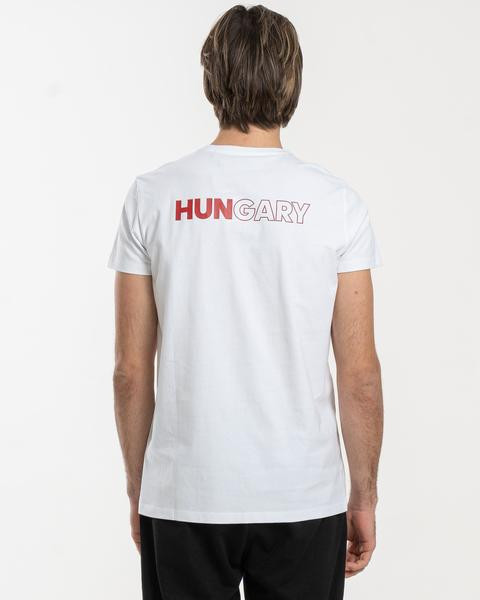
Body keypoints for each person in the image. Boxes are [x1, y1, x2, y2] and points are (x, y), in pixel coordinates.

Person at [108, 4, 383, 599]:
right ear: (293, 80)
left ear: (211, 76)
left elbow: (130, 370)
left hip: (184, 494)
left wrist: (140, 488)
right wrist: (364, 496)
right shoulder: (335, 204)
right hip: (302, 494)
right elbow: (358, 374)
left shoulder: (153, 197)